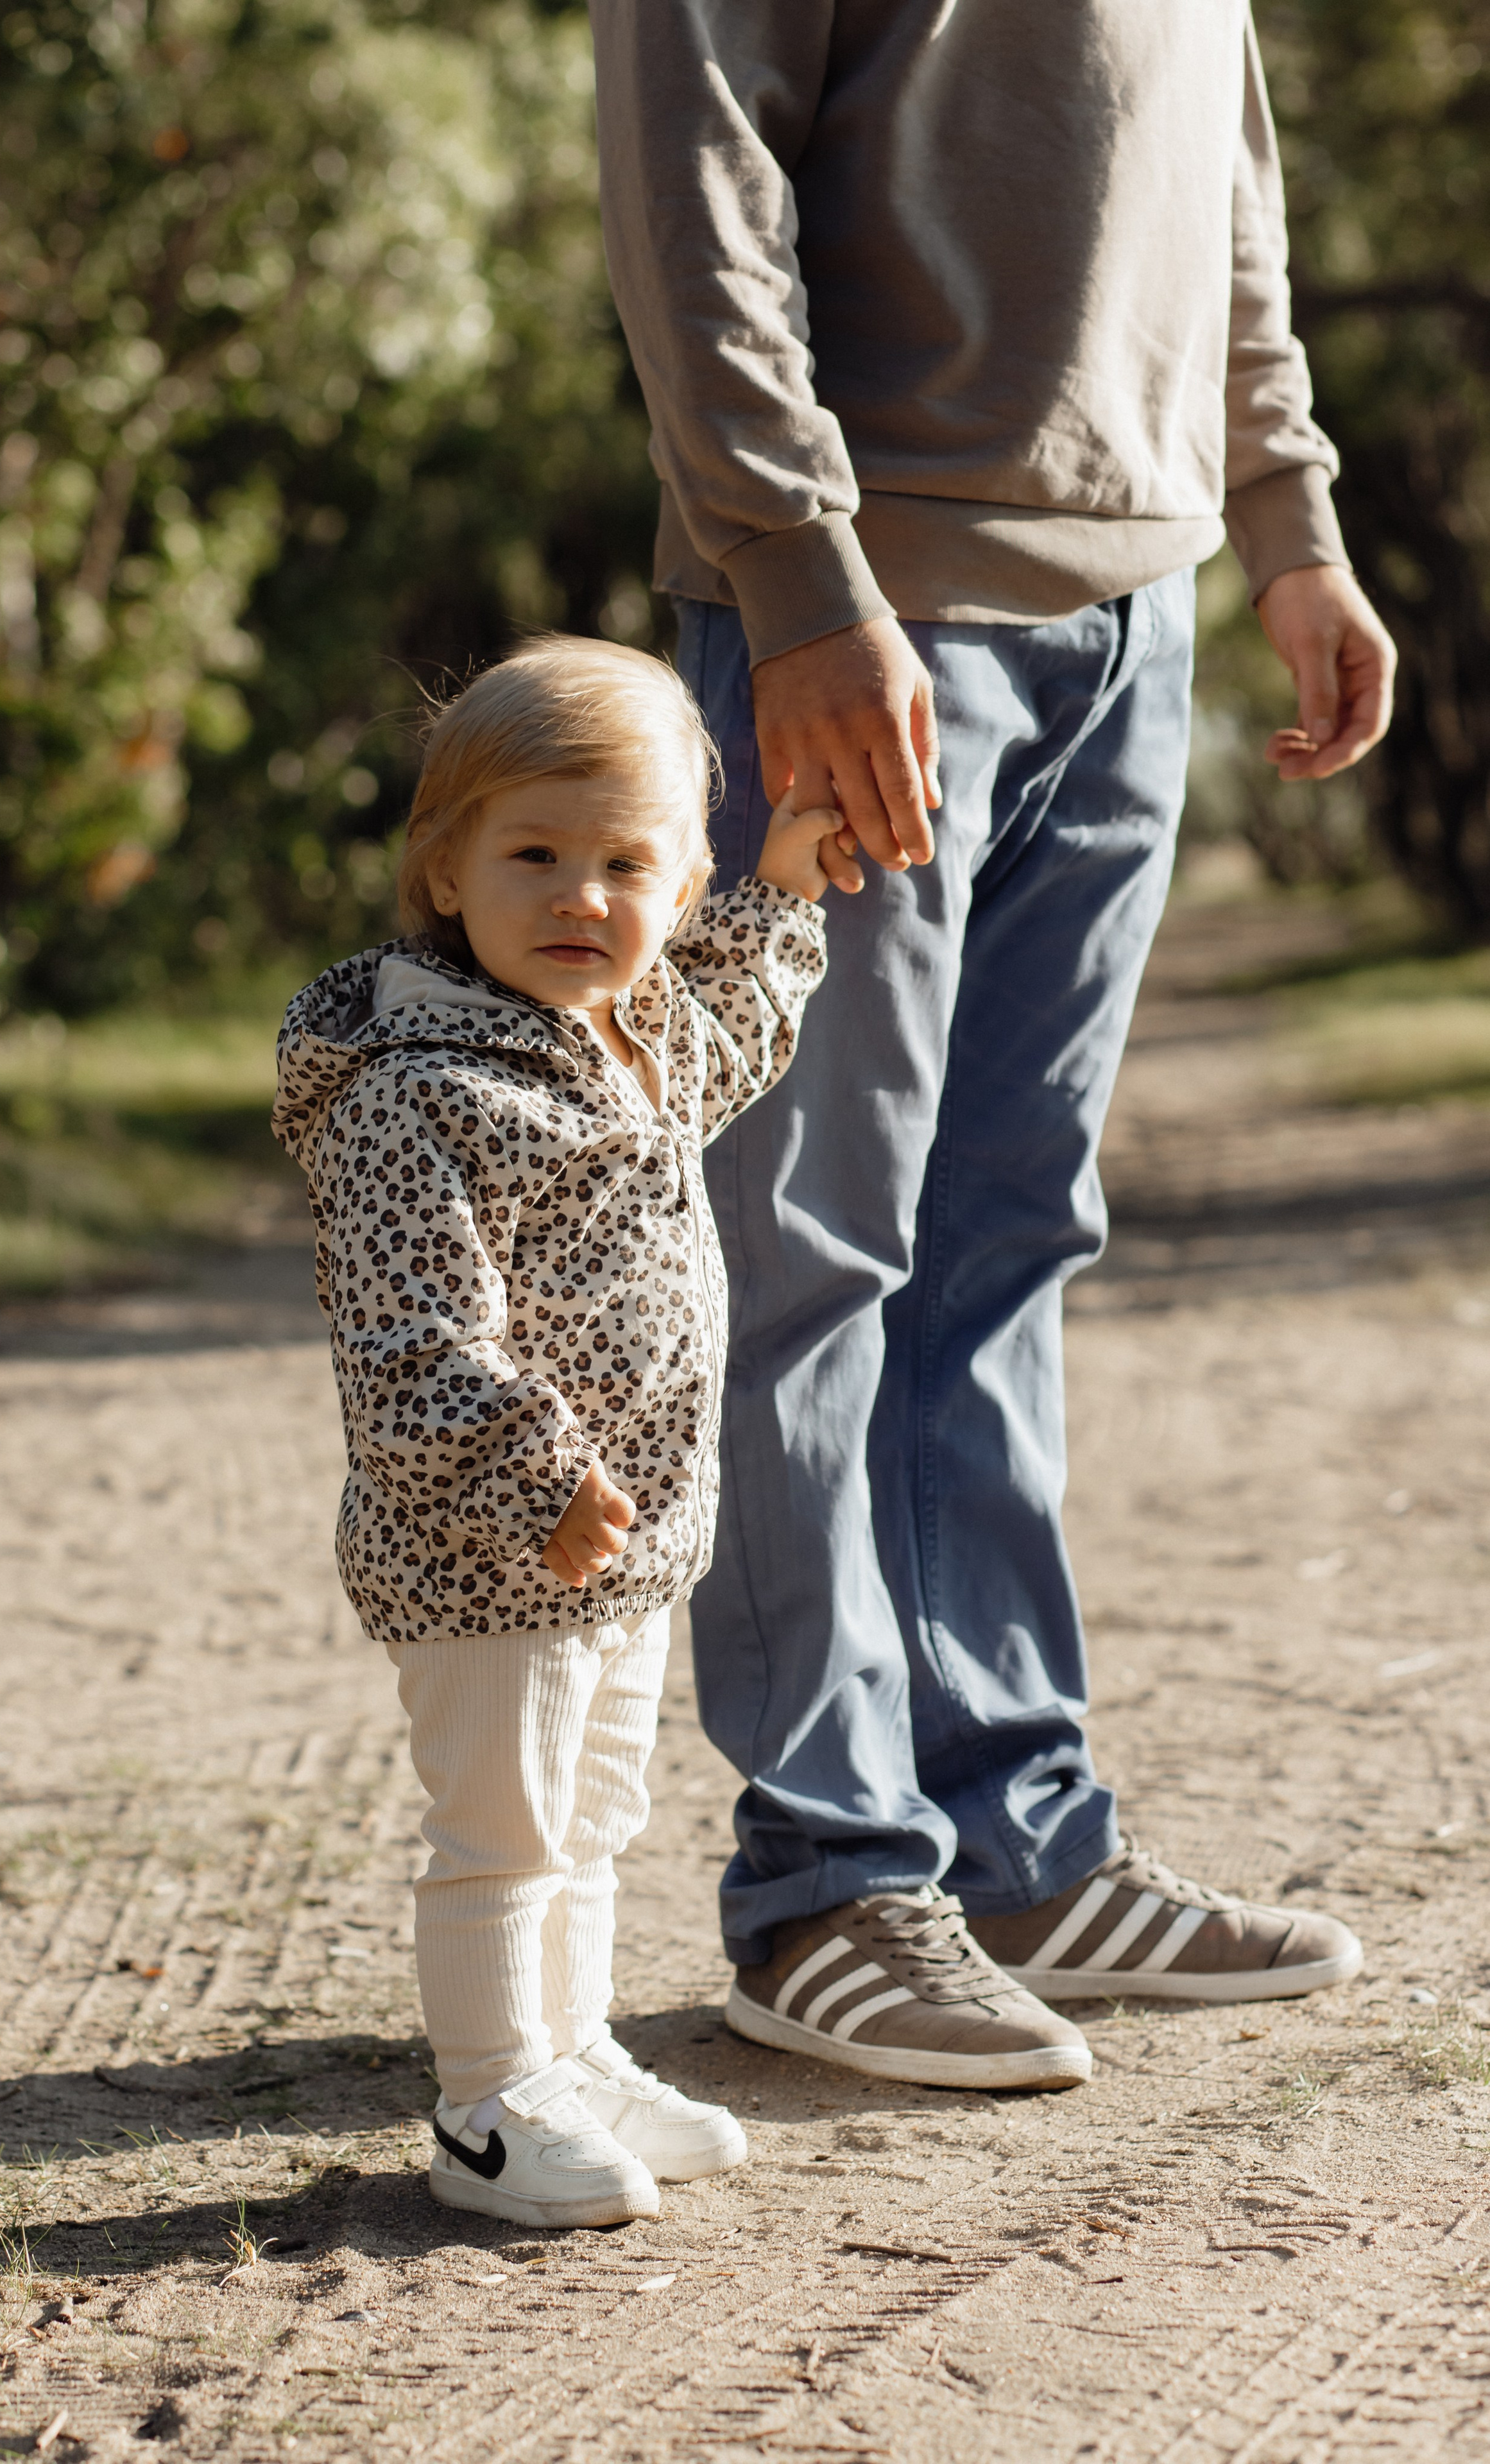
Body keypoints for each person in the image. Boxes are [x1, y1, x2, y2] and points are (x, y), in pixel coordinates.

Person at [589, 2, 1396, 2089]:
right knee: (813, 1260)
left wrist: (1286, 513)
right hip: (865, 614)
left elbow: (1217, 166)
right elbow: (694, 176)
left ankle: (1019, 1847)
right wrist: (796, 568)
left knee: (1005, 1240)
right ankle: (830, 1882)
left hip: (1138, 612)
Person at [272, 637, 849, 2227]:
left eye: (626, 864)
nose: (582, 897)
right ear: (445, 869)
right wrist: (534, 1472)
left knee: (592, 1814)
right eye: (535, 854)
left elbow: (729, 1029)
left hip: (625, 1532)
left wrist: (783, 895)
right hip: (486, 1548)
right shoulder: (412, 1089)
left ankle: (569, 2052)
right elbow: (408, 1339)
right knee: (501, 1830)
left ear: (674, 885)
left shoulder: (632, 1037)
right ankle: (483, 2101)